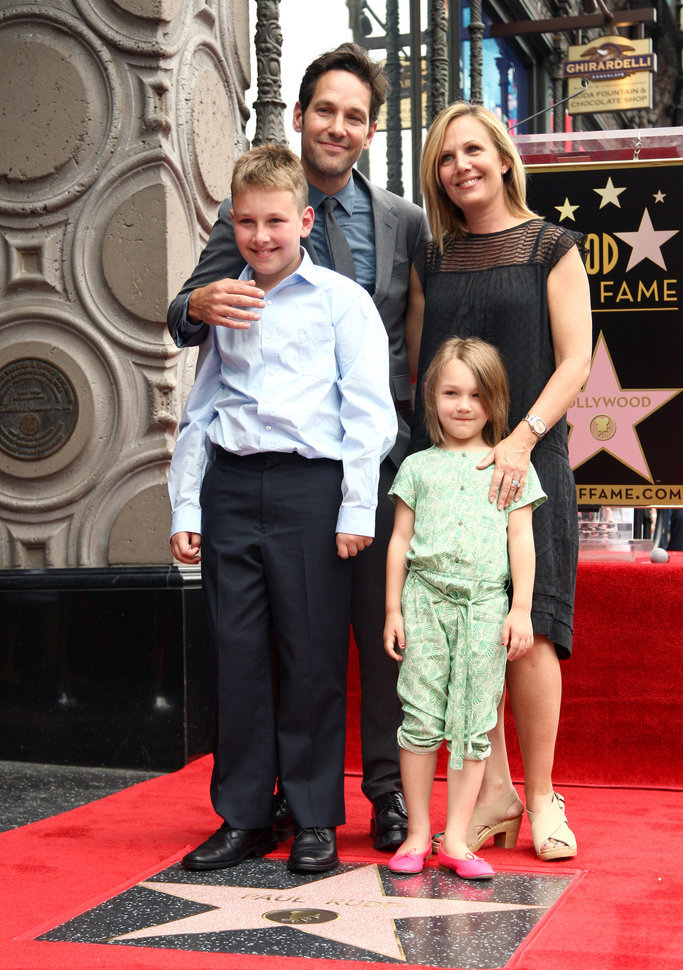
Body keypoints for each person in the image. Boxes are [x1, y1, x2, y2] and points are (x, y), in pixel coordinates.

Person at [167, 42, 431, 852]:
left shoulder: (399, 223)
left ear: (369, 129)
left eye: (355, 116)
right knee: (246, 650)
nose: (338, 126)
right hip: (244, 481)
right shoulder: (241, 248)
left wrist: (382, 481)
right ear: (301, 115)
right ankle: (251, 809)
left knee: (346, 643)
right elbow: (198, 360)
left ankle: (357, 801)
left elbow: (407, 354)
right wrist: (199, 304)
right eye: (326, 110)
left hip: (353, 469)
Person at [408, 102, 592, 861]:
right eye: (446, 157)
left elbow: (575, 359)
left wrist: (518, 440)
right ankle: (493, 792)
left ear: (503, 156)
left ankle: (543, 795)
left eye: (473, 151)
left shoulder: (552, 245)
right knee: (465, 636)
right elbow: (422, 371)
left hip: (530, 462)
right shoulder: (431, 258)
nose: (461, 167)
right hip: (452, 476)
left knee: (531, 630)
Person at [383, 337, 546, 879]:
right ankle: (415, 834)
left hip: (484, 608)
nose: (463, 405)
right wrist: (393, 610)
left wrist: (520, 609)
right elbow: (400, 542)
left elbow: (521, 541)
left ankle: (456, 838)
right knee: (422, 716)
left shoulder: (510, 466)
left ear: (494, 402)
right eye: (451, 392)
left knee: (475, 721)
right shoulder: (417, 467)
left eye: (476, 395)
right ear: (432, 398)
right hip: (425, 602)